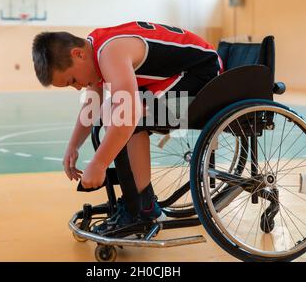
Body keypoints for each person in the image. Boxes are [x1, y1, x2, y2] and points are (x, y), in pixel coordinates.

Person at [31, 21, 222, 233]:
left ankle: (142, 207)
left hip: (202, 75)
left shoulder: (110, 53)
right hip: (184, 71)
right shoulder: (94, 48)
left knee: (127, 114)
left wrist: (99, 163)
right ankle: (142, 201)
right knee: (112, 110)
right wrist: (73, 146)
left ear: (78, 54)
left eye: (72, 80)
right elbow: (91, 104)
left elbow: (129, 114)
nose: (77, 87)